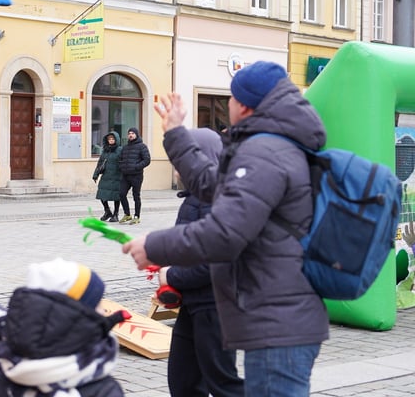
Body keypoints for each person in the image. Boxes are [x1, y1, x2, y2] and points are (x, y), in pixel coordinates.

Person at [122, 61, 329, 397]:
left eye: (230, 98)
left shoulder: (266, 152)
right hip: (274, 311)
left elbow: (224, 233)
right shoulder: (269, 147)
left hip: (279, 316)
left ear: (243, 105)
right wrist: (174, 132)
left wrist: (155, 248)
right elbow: (210, 184)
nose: (228, 104)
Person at [161, 128, 243, 397]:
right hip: (194, 304)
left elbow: (215, 261)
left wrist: (171, 275)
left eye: (181, 162)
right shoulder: (195, 198)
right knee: (183, 380)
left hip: (215, 306)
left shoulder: (216, 199)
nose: (176, 171)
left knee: (223, 383)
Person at [0, 258, 126, 397]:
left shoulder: (11, 372)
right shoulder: (102, 388)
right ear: (75, 316)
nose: (104, 311)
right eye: (97, 303)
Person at [118, 127, 151, 224]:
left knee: (136, 195)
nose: (130, 135)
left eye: (132, 133)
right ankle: (127, 214)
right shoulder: (125, 147)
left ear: (136, 135)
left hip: (136, 175)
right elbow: (120, 159)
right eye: (129, 133)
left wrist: (136, 167)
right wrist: (122, 167)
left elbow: (147, 160)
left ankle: (137, 216)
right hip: (125, 175)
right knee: (121, 194)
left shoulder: (142, 146)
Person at [92, 131, 123, 222]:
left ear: (116, 140)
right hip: (106, 176)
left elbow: (124, 162)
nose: (111, 140)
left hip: (117, 176)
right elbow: (100, 163)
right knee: (101, 193)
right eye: (109, 139)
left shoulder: (120, 150)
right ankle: (107, 211)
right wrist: (95, 174)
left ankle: (115, 214)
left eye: (113, 139)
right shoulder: (105, 150)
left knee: (116, 196)